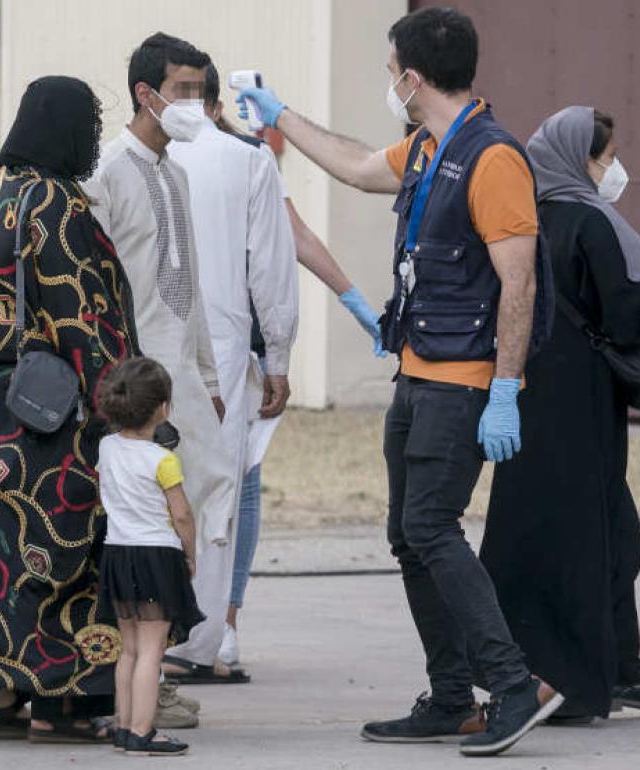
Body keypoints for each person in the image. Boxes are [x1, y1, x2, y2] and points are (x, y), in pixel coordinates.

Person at [238, 7, 564, 756]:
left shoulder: (492, 159)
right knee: (408, 536)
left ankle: (513, 687)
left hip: (464, 381)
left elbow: (518, 285)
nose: (389, 81)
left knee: (429, 527)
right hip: (417, 373)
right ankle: (453, 697)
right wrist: (282, 112)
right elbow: (356, 164)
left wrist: (505, 388)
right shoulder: (427, 147)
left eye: (390, 71)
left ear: (413, 77)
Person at [0, 75, 138, 744]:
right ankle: (63, 705)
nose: (97, 142)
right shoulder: (56, 202)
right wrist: (129, 411)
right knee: (61, 558)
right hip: (33, 429)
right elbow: (83, 319)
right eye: (92, 128)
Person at [481, 106, 640, 723]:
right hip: (582, 408)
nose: (611, 168)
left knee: (582, 533)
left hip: (527, 398)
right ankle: (578, 677)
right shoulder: (591, 223)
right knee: (600, 538)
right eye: (603, 156)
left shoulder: (527, 217)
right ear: (579, 159)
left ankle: (613, 669)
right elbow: (628, 314)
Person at [203, 66, 384, 667]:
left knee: (242, 480)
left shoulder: (246, 158)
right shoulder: (148, 159)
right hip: (178, 347)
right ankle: (185, 620)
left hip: (240, 348)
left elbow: (294, 237)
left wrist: (354, 299)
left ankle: (224, 621)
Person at [83, 34, 242, 692]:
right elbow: (92, 291)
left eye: (202, 91)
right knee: (134, 534)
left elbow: (190, 290)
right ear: (146, 94)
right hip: (128, 388)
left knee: (190, 516)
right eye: (183, 90)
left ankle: (151, 676)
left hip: (176, 379)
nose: (196, 103)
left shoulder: (176, 173)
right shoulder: (106, 172)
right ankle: (126, 682)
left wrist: (207, 381)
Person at [165, 59, 299, 683]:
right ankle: (203, 641)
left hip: (141, 358)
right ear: (217, 104)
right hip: (220, 352)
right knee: (218, 497)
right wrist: (278, 356)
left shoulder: (119, 161)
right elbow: (270, 271)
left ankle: (144, 637)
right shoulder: (249, 162)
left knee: (148, 494)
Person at [96, 357, 205, 757]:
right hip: (156, 556)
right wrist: (190, 554)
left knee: (127, 649)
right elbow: (182, 514)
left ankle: (124, 725)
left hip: (118, 555)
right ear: (163, 409)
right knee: (152, 650)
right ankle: (144, 731)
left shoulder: (107, 448)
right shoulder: (163, 460)